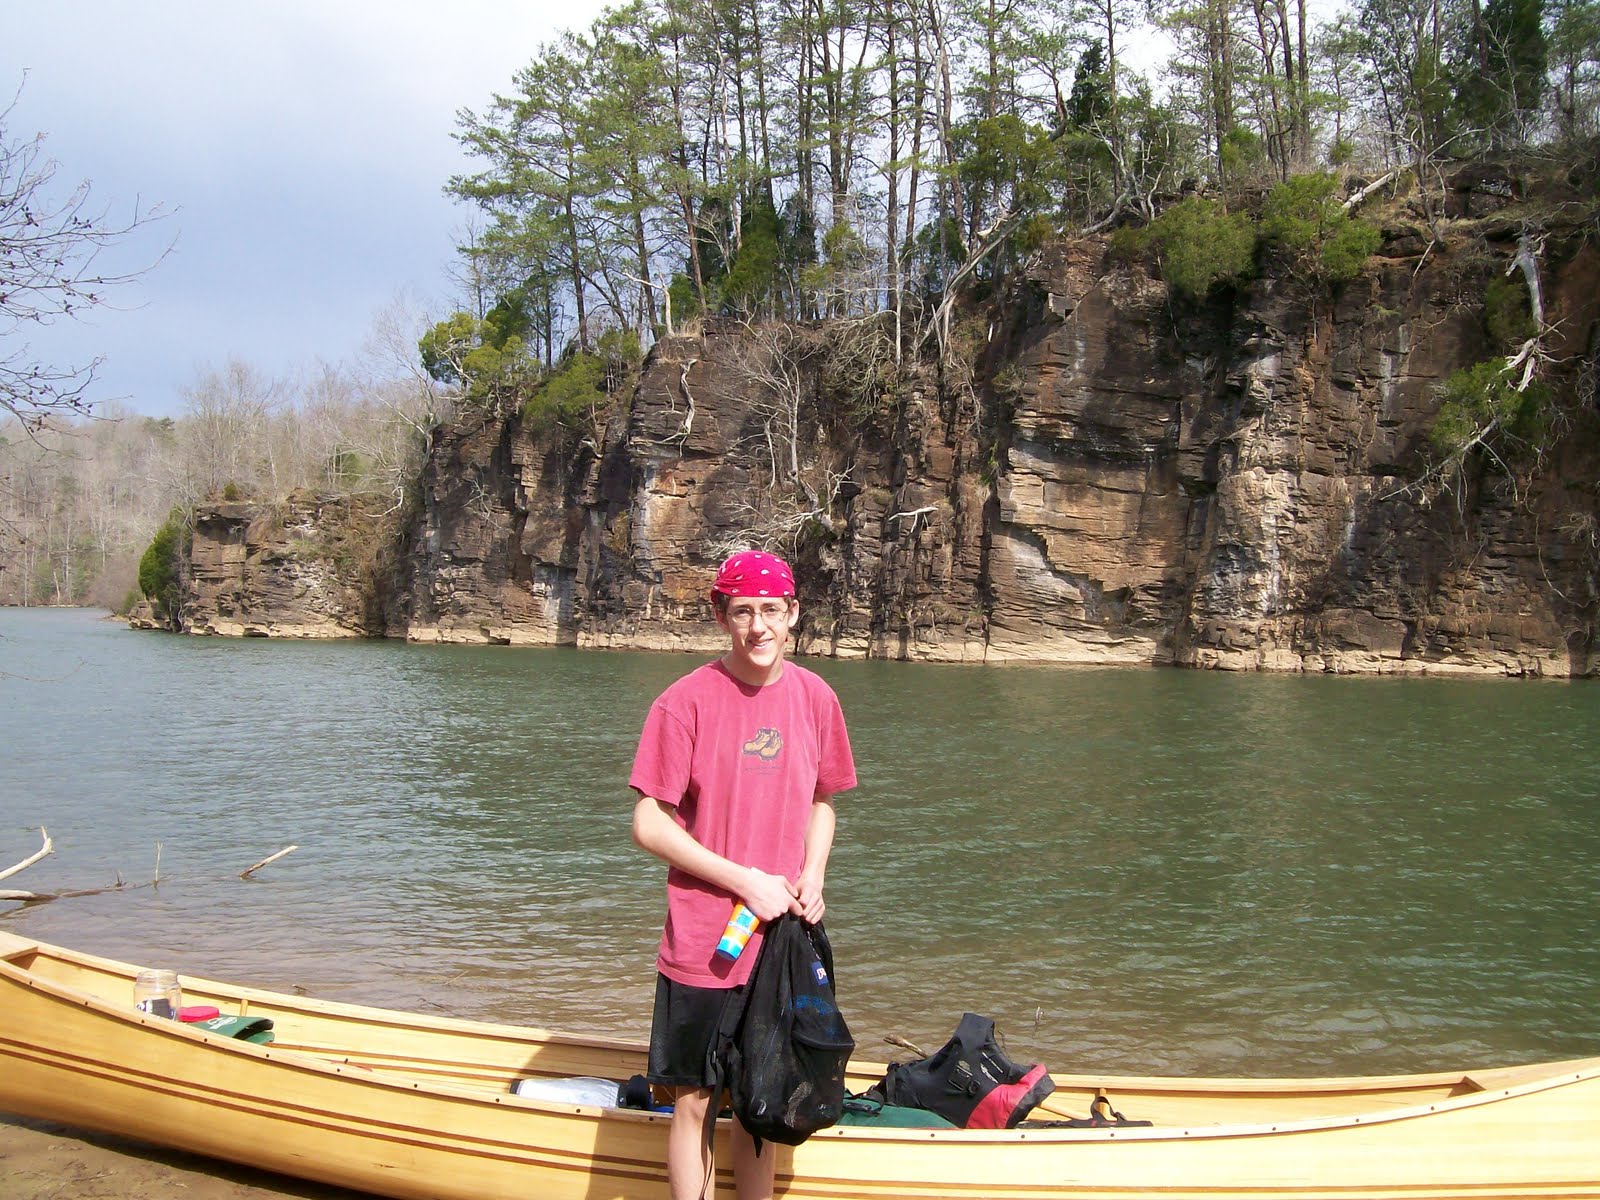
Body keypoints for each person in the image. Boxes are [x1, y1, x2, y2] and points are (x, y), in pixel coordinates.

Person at [629, 549, 857, 1200]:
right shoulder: (685, 703)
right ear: (722, 617)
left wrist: (812, 872)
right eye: (742, 612)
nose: (758, 626)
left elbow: (823, 801)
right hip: (705, 941)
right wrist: (744, 879)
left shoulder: (816, 698)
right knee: (696, 1100)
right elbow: (650, 823)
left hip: (781, 943)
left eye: (770, 611)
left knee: (764, 1100)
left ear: (793, 616)